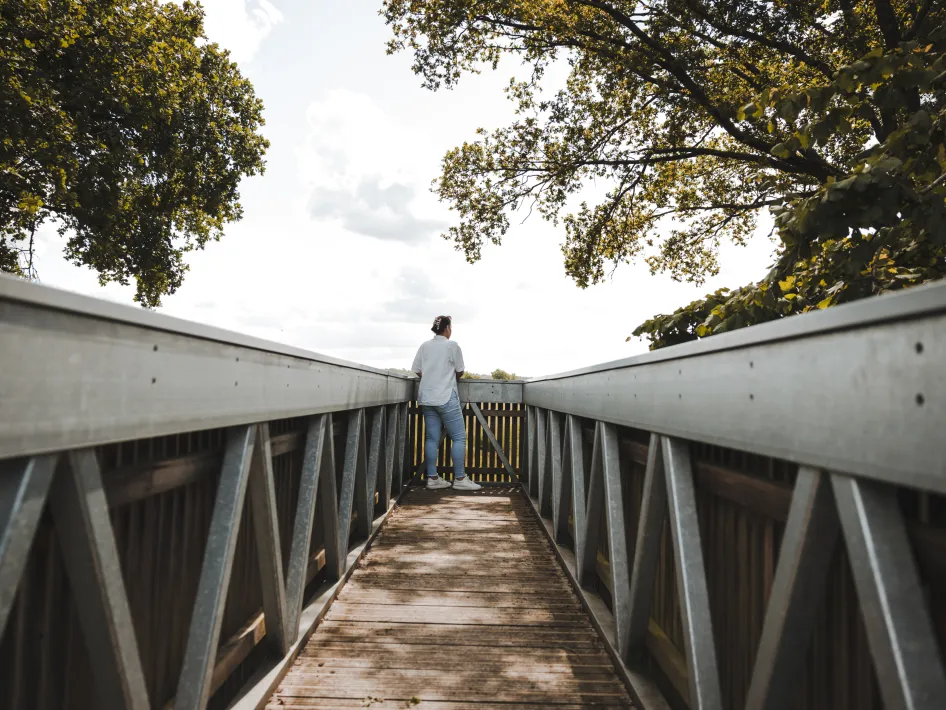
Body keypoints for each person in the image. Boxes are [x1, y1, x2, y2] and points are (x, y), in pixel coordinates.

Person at [411, 315, 482, 491]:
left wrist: (432, 379)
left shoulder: (424, 346)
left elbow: (417, 370)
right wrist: (446, 379)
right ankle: (459, 478)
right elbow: (460, 371)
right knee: (458, 437)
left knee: (431, 438)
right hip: (446, 396)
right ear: (447, 328)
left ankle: (432, 478)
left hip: (427, 397)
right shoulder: (452, 345)